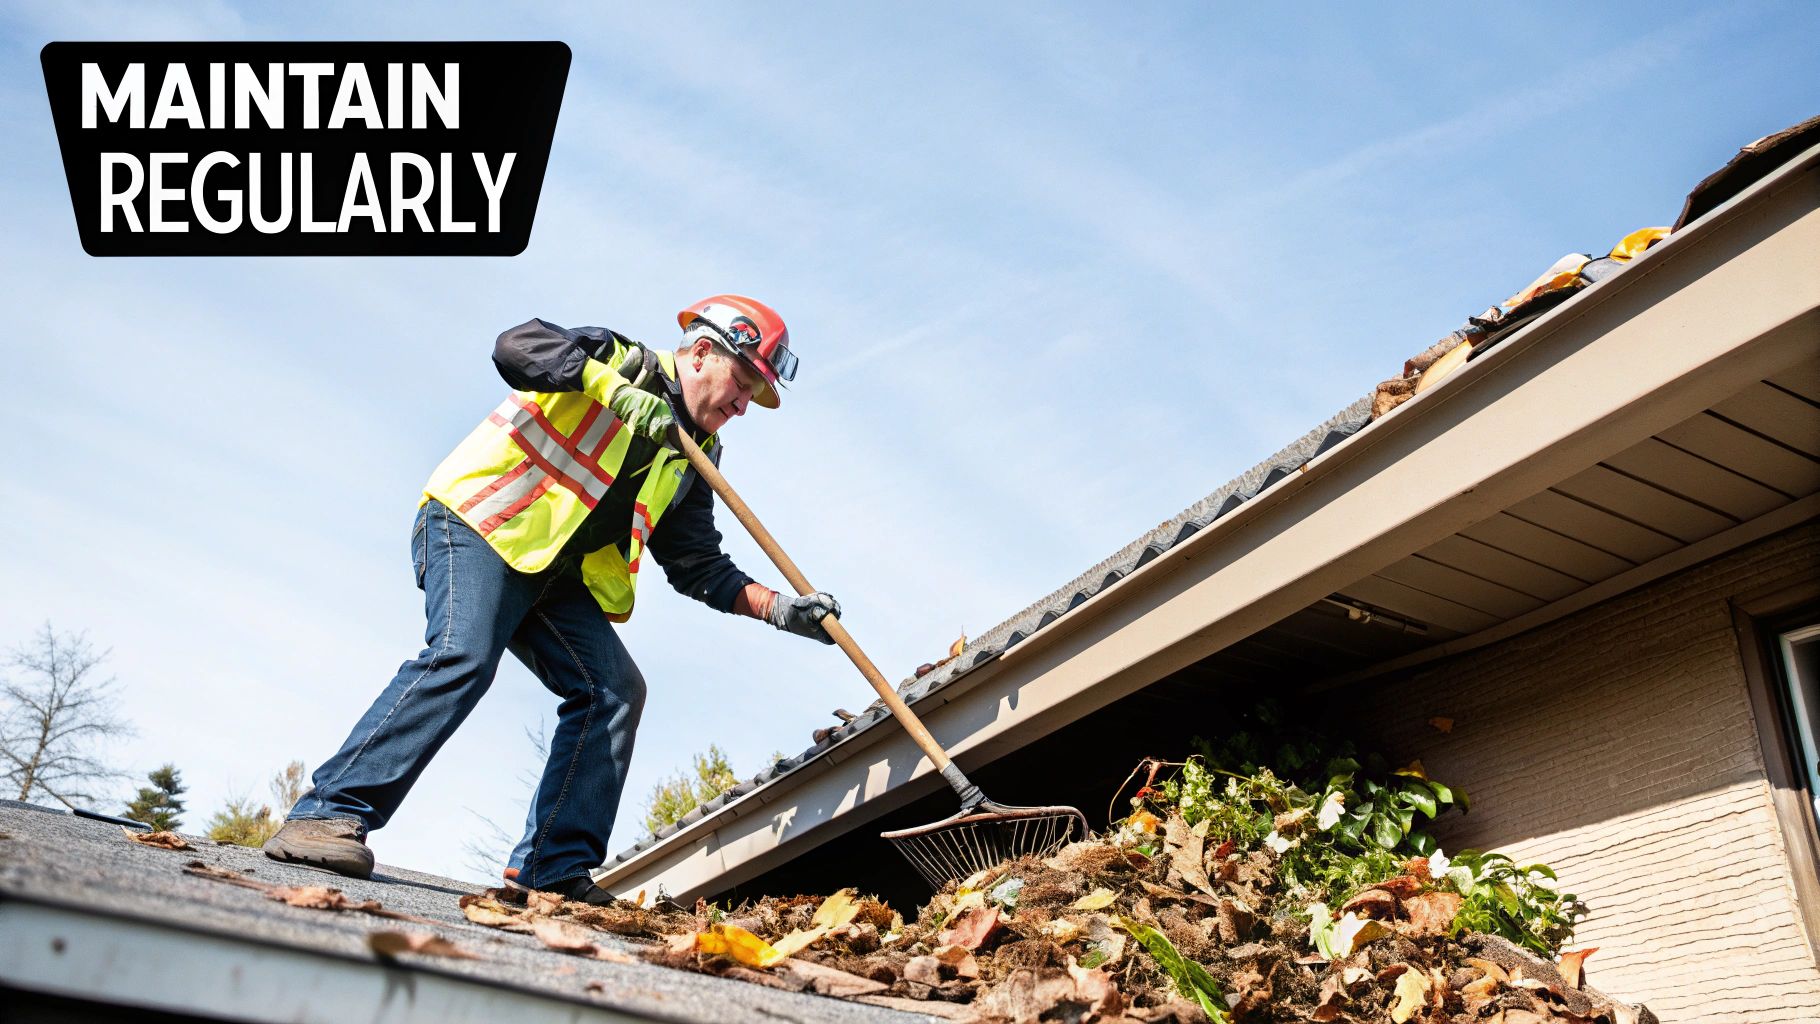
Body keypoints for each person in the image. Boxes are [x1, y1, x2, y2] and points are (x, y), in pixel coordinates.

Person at [265, 295, 838, 904]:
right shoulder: (621, 360)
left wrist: (778, 608)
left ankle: (552, 869)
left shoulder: (694, 456)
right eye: (743, 382)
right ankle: (324, 814)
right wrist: (611, 390)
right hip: (480, 523)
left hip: (549, 572)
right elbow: (516, 345)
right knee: (464, 655)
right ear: (702, 353)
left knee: (613, 690)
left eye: (753, 396)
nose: (743, 405)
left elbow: (696, 565)